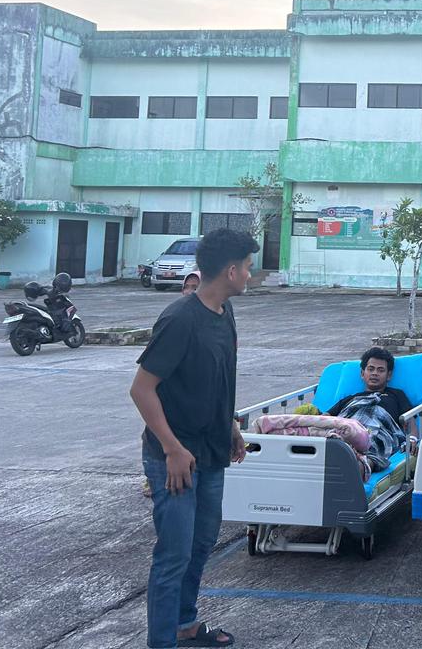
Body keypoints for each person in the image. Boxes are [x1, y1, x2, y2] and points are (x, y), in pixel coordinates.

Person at [129, 228, 259, 649]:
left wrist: (231, 424)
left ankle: (185, 625)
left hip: (212, 450)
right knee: (174, 554)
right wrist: (172, 449)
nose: (251, 275)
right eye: (249, 267)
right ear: (231, 270)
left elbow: (218, 376)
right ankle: (162, 642)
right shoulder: (180, 319)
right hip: (176, 457)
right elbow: (142, 389)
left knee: (201, 543)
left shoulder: (225, 311)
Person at [328, 346, 415, 429]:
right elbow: (325, 418)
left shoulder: (397, 395)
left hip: (381, 434)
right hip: (344, 433)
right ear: (362, 374)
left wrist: (412, 438)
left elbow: (409, 420)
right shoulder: (350, 399)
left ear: (389, 375)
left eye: (380, 370)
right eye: (371, 369)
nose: (375, 373)